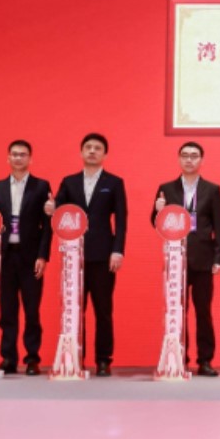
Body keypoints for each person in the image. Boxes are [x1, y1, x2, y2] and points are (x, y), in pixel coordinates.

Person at [0, 139, 52, 375]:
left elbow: (47, 226)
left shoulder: (41, 186)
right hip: (5, 258)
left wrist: (43, 256)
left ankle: (32, 359)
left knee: (32, 310)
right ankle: (8, 358)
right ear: (7, 158)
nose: (18, 158)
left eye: (23, 154)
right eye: (14, 154)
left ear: (30, 159)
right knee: (7, 311)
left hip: (31, 258)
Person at [50, 133, 127, 377]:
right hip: (74, 256)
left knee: (103, 310)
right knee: (74, 309)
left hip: (103, 256)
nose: (92, 151)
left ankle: (103, 360)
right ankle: (75, 357)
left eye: (97, 148)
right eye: (88, 147)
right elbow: (57, 211)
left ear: (105, 154)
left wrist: (117, 250)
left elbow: (121, 220)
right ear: (81, 152)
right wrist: (51, 208)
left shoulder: (114, 183)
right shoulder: (69, 182)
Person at [151, 141, 220, 377]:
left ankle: (205, 360)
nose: (189, 159)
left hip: (203, 259)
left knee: (203, 311)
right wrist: (158, 210)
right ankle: (178, 357)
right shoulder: (166, 188)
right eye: (185, 155)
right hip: (176, 260)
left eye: (194, 156)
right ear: (179, 159)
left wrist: (219, 258)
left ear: (201, 160)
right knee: (176, 311)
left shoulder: (212, 189)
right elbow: (156, 223)